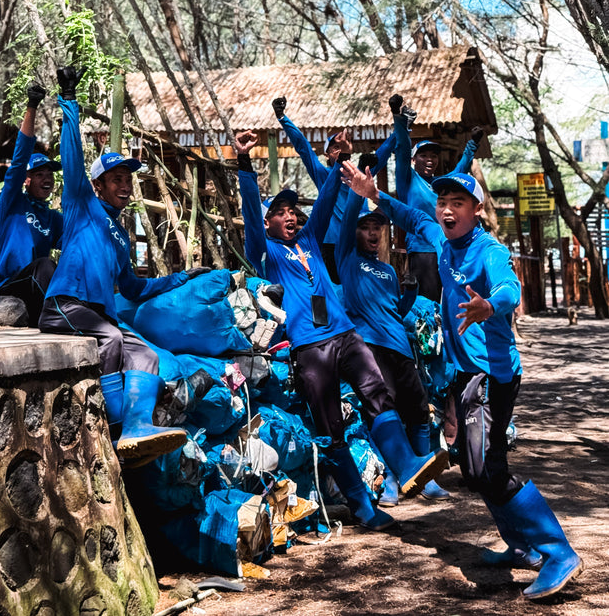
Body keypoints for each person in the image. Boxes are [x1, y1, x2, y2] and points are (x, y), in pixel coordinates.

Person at [341, 161, 584, 600]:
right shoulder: (441, 237)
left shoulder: (487, 249)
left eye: (458, 203)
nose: (447, 210)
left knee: (488, 469)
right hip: (465, 375)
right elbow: (409, 216)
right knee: (475, 468)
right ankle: (522, 545)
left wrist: (491, 307)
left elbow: (509, 287)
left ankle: (557, 552)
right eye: (443, 202)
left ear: (476, 208)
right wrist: (372, 193)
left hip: (492, 375)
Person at [234, 126, 448, 533]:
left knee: (376, 392)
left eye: (294, 211)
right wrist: (245, 164)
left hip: (346, 335)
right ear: (268, 222)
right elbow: (249, 209)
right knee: (330, 428)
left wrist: (338, 162)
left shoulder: (312, 240)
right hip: (309, 349)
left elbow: (333, 199)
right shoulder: (266, 252)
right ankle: (363, 508)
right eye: (281, 212)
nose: (292, 216)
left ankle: (406, 467)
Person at [40, 67, 203, 465]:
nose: (125, 185)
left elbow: (132, 288)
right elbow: (73, 156)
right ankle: (116, 431)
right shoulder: (82, 205)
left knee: (146, 357)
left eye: (128, 178)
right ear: (98, 184)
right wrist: (69, 99)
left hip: (101, 316)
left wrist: (182, 278)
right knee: (112, 340)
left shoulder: (120, 236)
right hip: (66, 305)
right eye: (116, 178)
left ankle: (138, 429)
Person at [335, 186, 450, 504]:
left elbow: (395, 311)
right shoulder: (347, 259)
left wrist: (409, 295)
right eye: (365, 227)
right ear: (355, 231)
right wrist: (358, 187)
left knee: (418, 411)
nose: (372, 233)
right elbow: (346, 221)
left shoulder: (387, 269)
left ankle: (425, 478)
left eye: (377, 227)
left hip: (401, 345)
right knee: (383, 413)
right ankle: (386, 480)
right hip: (370, 346)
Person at [271, 95, 396, 282]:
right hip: (330, 244)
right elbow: (303, 147)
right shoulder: (324, 175)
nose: (338, 150)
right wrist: (283, 118)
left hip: (357, 242)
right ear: (327, 154)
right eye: (334, 147)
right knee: (334, 290)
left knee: (360, 288)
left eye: (342, 147)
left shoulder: (360, 174)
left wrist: (401, 125)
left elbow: (383, 153)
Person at [390, 93, 483, 301]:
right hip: (423, 251)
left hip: (447, 247)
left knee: (453, 299)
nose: (430, 159)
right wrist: (398, 118)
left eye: (433, 155)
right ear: (414, 159)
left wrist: (472, 145)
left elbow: (460, 171)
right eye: (424, 155)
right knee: (426, 301)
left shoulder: (440, 184)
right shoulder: (408, 178)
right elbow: (403, 148)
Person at [0, 82, 63, 327]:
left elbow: (78, 236)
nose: (47, 179)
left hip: (33, 296)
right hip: (5, 292)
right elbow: (20, 160)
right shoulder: (13, 203)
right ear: (27, 180)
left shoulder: (52, 218)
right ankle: (62, 318)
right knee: (44, 265)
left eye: (50, 174)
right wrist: (32, 106)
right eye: (40, 174)